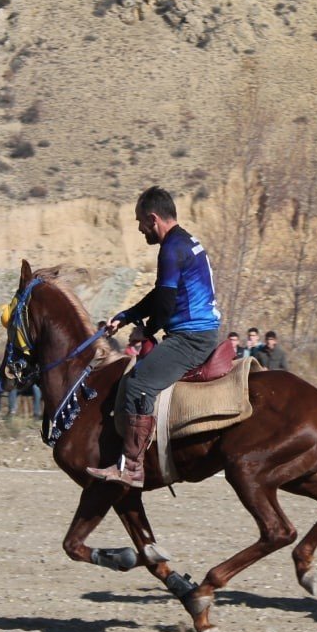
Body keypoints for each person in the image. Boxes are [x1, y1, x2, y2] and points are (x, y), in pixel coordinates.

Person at [88, 186, 221, 487]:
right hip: (198, 332)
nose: (139, 229)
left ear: (153, 218)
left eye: (139, 222)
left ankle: (132, 468)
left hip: (192, 338)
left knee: (138, 383)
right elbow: (161, 294)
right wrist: (125, 317)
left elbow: (165, 304)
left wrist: (145, 331)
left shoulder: (172, 249)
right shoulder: (184, 241)